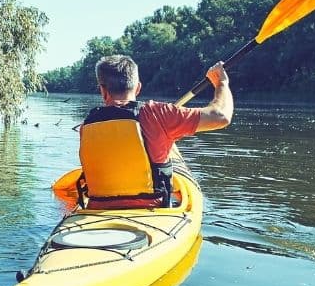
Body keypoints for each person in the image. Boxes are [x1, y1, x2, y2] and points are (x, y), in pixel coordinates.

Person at [77, 55, 233, 206]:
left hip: (97, 209)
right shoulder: (157, 113)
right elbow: (221, 116)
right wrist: (221, 83)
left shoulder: (87, 126)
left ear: (103, 91)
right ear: (138, 88)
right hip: (152, 210)